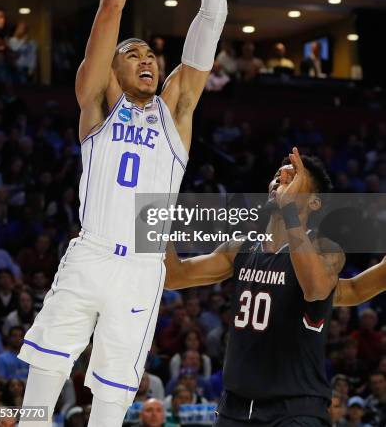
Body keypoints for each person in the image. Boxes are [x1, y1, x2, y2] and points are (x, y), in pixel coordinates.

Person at [18, 0, 227, 427]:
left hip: (141, 268)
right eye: (132, 54)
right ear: (109, 71)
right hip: (90, 254)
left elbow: (212, 19)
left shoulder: (177, 108)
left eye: (151, 56)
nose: (146, 59)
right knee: (38, 403)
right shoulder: (97, 106)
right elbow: (111, 8)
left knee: (111, 407)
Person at [165, 147, 386, 425]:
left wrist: (291, 213)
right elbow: (175, 276)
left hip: (294, 408)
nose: (280, 182)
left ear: (314, 202)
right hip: (234, 407)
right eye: (277, 178)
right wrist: (159, 214)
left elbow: (317, 289)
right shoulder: (241, 248)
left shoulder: (325, 249)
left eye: (292, 179)